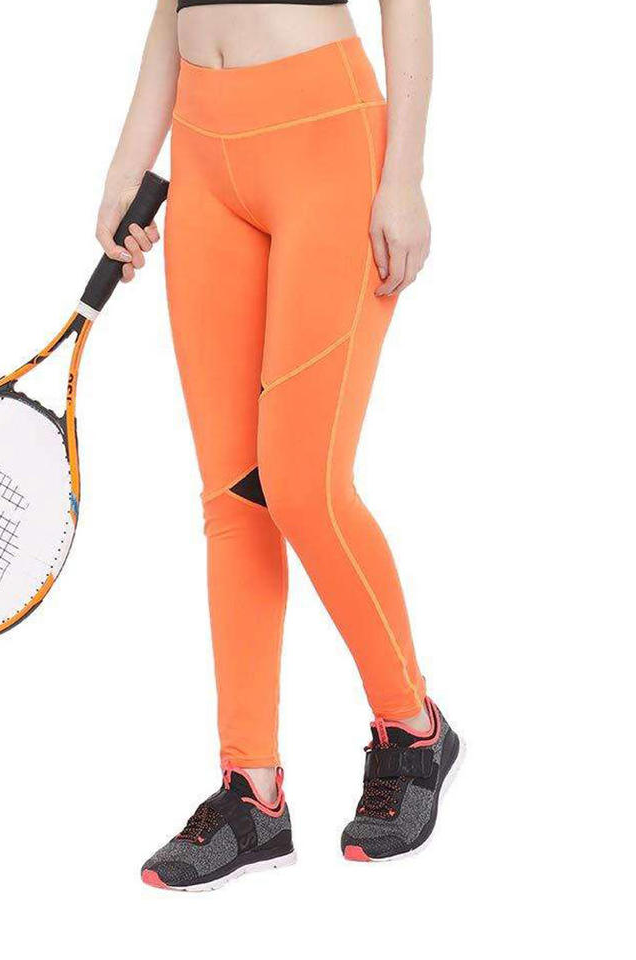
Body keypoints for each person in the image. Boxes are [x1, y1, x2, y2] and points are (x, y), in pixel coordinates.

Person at [98, 0, 461, 891]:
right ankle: (251, 793)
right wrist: (126, 166)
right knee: (235, 496)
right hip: (203, 148)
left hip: (324, 138)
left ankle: (413, 729)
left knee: (302, 483)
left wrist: (404, 175)